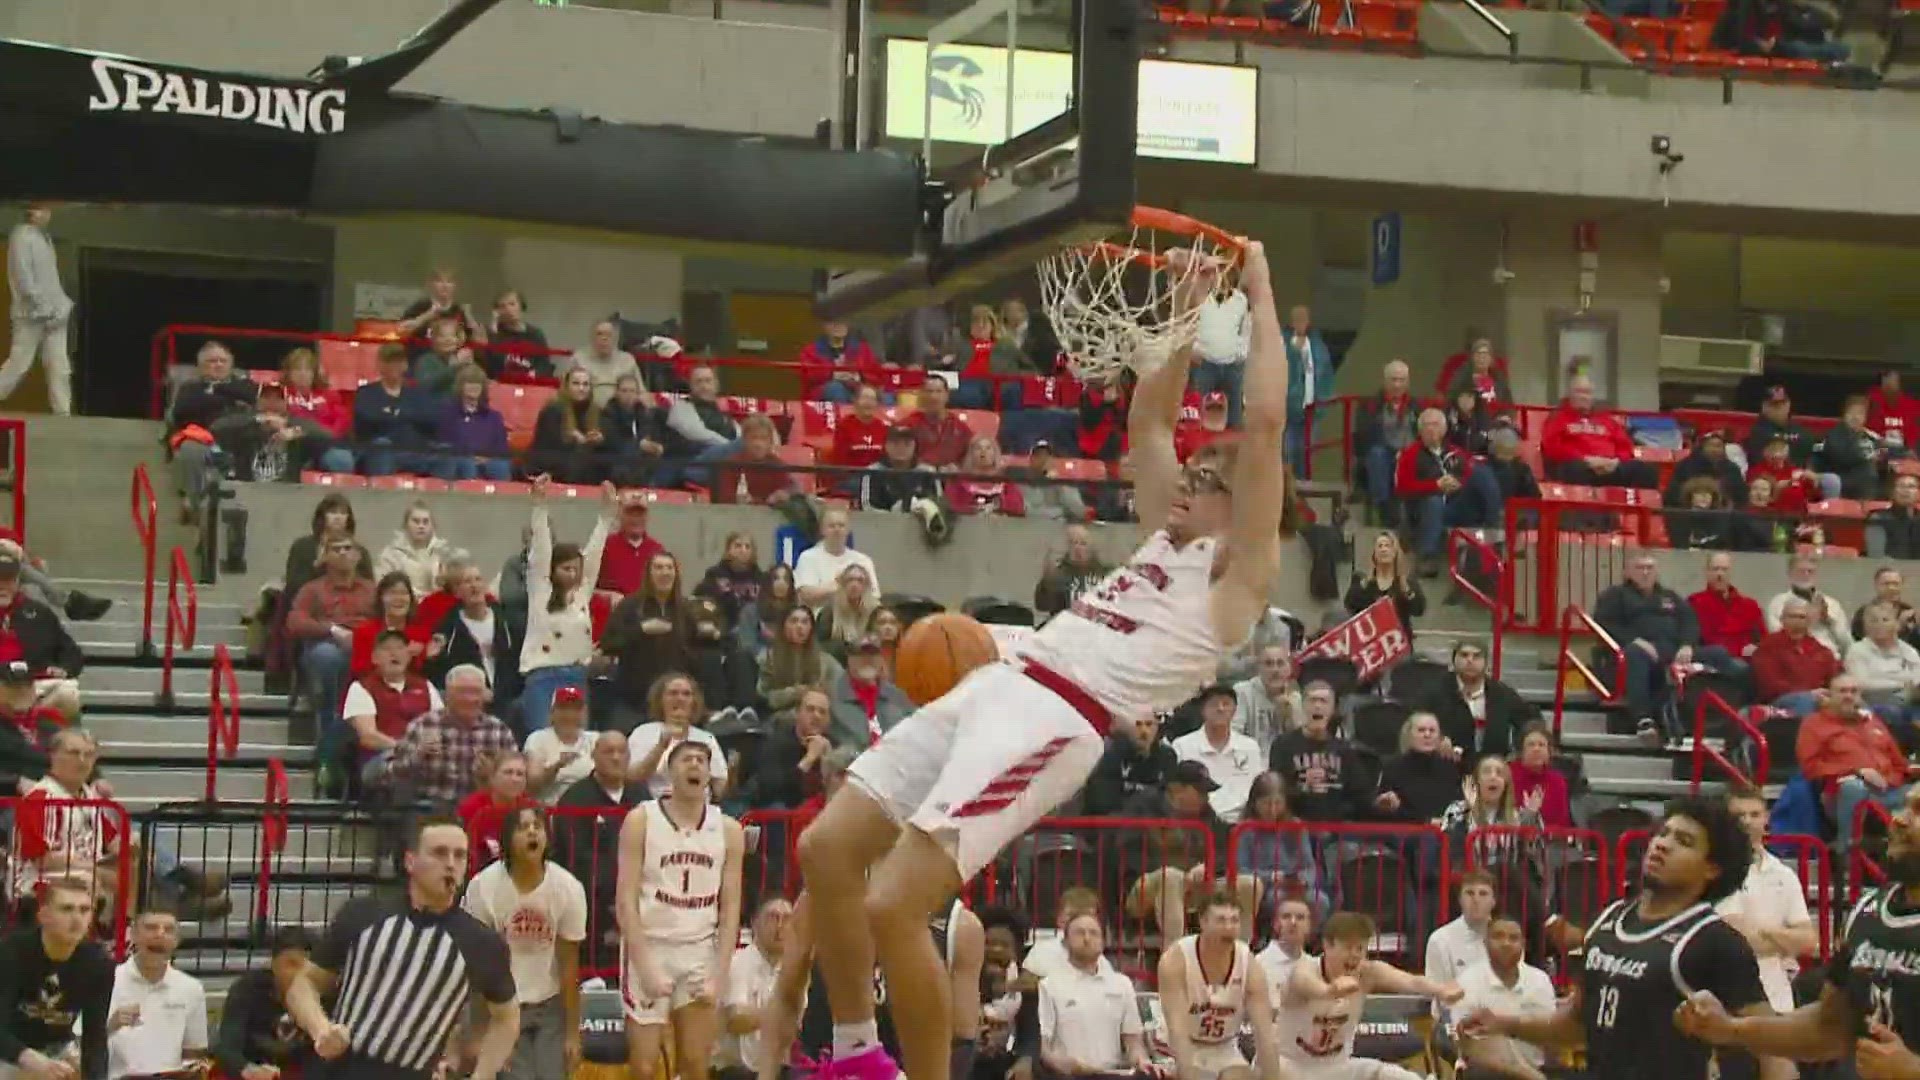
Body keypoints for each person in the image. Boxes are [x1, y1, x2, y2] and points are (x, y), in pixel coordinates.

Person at [793, 243, 1291, 1080]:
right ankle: (854, 1055)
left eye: (1205, 477)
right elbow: (1150, 423)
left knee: (893, 903)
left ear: (1238, 505)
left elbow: (1269, 424)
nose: (1183, 479)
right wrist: (1183, 301)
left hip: (1059, 716)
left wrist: (1260, 289)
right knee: (826, 851)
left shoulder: (1233, 580)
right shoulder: (1162, 534)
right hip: (1006, 680)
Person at [1462, 796, 1767, 1080]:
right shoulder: (1610, 920)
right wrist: (1504, 1023)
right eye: (1664, 834)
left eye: (1683, 841)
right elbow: (1577, 1025)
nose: (1662, 845)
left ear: (1712, 869)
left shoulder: (1715, 941)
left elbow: (1772, 1050)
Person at [1676, 783, 1920, 1080]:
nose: (1899, 818)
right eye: (1905, 806)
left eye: (1918, 811)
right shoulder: (1869, 912)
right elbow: (1827, 1027)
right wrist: (1731, 1028)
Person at [284, 815, 518, 1080]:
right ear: (410, 861)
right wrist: (321, 1029)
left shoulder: (481, 942)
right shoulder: (363, 914)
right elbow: (303, 985)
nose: (451, 864)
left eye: (460, 856)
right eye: (439, 853)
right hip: (338, 1069)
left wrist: (483, 1075)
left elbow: (507, 1018)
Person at [761, 881, 985, 1080]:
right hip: (823, 1064)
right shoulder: (820, 897)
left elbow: (961, 1043)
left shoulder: (960, 927)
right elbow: (784, 998)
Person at [615, 741, 746, 1080]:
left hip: (698, 948)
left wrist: (719, 973)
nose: (695, 765)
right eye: (686, 759)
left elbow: (731, 908)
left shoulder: (729, 830)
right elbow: (625, 900)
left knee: (696, 1064)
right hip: (650, 943)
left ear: (709, 773)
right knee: (644, 1067)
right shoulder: (641, 819)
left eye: (702, 760)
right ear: (669, 772)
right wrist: (644, 965)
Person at [463, 805, 588, 1080]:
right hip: (502, 1005)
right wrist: (481, 1034)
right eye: (522, 827)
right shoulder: (483, 887)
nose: (532, 832)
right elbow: (480, 968)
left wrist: (572, 1033)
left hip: (550, 1004)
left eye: (538, 827)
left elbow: (569, 965)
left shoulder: (568, 888)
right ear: (506, 839)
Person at [1279, 910, 1460, 1080]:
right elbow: (1303, 982)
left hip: (1337, 1067)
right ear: (1328, 945)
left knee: (1396, 1075)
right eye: (1349, 948)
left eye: (1361, 949)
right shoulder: (1305, 968)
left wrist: (1440, 990)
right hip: (1291, 1066)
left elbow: (1412, 981)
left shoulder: (1368, 973)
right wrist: (1330, 991)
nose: (1355, 955)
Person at [1716, 786, 1817, 1078]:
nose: (1747, 822)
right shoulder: (1715, 870)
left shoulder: (1784, 875)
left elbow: (1808, 941)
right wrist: (1784, 937)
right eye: (1739, 816)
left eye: (1754, 814)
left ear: (1767, 818)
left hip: (1779, 1000)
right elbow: (1736, 942)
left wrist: (1764, 932)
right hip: (1726, 1004)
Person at [520, 477, 616, 733]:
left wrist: (606, 517)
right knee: (542, 739)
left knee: (577, 742)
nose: (572, 574)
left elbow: (594, 554)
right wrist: (539, 507)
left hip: (577, 676)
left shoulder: (582, 594)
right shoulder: (540, 589)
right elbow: (540, 551)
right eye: (565, 568)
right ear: (552, 569)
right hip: (543, 676)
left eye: (576, 569)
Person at [1156, 893, 1284, 1080]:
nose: (1229, 927)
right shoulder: (1175, 959)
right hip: (1176, 1047)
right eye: (1221, 920)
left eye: (1234, 920)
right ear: (1203, 922)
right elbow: (1178, 1030)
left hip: (1224, 1046)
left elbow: (1264, 1032)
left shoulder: (1248, 962)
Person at [0, 882, 110, 1080]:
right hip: (9, 1051)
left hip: (57, 1052)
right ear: (43, 916)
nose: (77, 919)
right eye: (66, 909)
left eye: (84, 910)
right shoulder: (11, 953)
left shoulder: (98, 962)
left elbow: (95, 1037)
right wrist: (24, 1056)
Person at [1036, 912, 1162, 1079]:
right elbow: (1044, 1049)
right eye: (1080, 933)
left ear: (1103, 942)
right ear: (1065, 942)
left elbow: (1133, 1041)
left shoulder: (1122, 984)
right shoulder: (1049, 985)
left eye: (1094, 933)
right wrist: (1066, 1065)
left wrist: (1142, 1060)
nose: (1087, 938)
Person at [106, 909, 208, 1080]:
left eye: (168, 930)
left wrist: (195, 1069)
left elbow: (194, 1052)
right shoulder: (107, 981)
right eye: (151, 927)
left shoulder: (191, 988)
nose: (160, 934)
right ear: (133, 935)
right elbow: (79, 1045)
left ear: (176, 941)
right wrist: (111, 1025)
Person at [1451, 915, 1556, 1080]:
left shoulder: (1540, 980)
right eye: (1498, 936)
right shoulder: (1467, 982)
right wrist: (1527, 1075)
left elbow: (1551, 1036)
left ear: (1523, 945)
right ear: (1485, 943)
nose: (1506, 943)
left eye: (1513, 938)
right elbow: (1470, 1046)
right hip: (1485, 1074)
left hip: (1538, 1070)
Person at [213, 925, 313, 1080]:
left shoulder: (325, 995)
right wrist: (247, 1069)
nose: (300, 973)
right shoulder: (246, 989)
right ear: (273, 963)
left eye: (308, 967)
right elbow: (227, 1047)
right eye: (291, 964)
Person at [2, 204, 73, 415]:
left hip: (56, 312)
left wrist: (61, 304)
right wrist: (40, 303)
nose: (47, 214)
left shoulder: (45, 238)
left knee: (59, 365)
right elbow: (23, 275)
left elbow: (51, 277)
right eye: (43, 209)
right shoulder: (21, 236)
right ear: (32, 211)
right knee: (19, 363)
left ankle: (63, 412)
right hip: (31, 313)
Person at [1171, 684, 1264, 823]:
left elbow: (1257, 791)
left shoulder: (1250, 747)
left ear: (1234, 710)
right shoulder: (1182, 745)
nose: (1220, 708)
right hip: (1198, 822)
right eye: (1214, 704)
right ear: (1203, 710)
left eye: (1226, 704)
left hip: (1242, 823)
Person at [720, 899, 791, 1080]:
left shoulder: (792, 970)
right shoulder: (738, 962)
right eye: (773, 918)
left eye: (787, 919)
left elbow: (791, 1029)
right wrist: (778, 1014)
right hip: (732, 1070)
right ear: (754, 923)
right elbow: (736, 1020)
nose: (780, 926)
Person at [1425, 871, 1496, 1023]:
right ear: (1460, 900)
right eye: (1470, 893)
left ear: (1493, 901)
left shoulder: (1508, 938)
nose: (1476, 900)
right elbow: (1441, 997)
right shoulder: (1439, 940)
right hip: (1454, 1025)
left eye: (1483, 894)